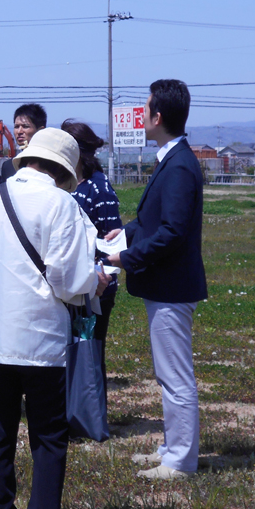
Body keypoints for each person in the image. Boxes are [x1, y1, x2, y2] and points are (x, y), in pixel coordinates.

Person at [0, 128, 109, 509]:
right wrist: (93, 280)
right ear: (65, 169)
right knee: (47, 437)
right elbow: (65, 278)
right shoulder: (61, 203)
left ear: (27, 159)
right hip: (42, 340)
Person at [106, 79, 207, 480]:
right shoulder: (172, 157)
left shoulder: (180, 164)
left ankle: (180, 461)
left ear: (157, 116)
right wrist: (127, 231)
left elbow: (173, 232)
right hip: (166, 287)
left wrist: (125, 257)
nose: (141, 115)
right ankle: (171, 447)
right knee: (168, 374)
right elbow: (156, 219)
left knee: (176, 376)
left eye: (145, 108)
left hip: (172, 287)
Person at [62, 119, 122, 390]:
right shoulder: (68, 183)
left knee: (91, 351)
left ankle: (93, 416)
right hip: (72, 281)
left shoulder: (99, 187)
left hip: (97, 286)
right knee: (71, 349)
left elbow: (112, 239)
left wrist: (101, 280)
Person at [0, 103, 47, 179]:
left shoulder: (51, 163)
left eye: (25, 126)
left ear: (40, 130)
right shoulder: (9, 166)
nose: (19, 131)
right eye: (16, 126)